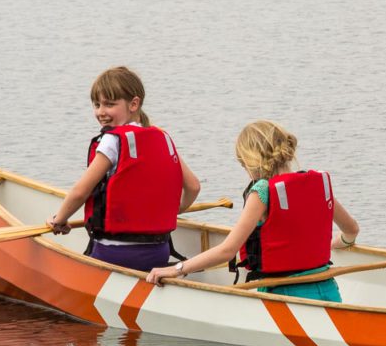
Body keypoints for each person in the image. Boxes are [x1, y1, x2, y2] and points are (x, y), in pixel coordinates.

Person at [146, 120, 359, 303]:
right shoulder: (317, 185)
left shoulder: (262, 191)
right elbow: (352, 230)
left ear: (251, 162)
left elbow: (227, 251)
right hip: (330, 292)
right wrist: (339, 244)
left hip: (284, 295)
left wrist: (177, 269)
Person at [48, 66, 201, 271]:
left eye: (110, 104)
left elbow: (80, 191)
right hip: (159, 252)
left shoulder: (112, 140)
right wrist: (172, 212)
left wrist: (60, 220)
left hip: (114, 254)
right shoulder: (162, 138)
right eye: (96, 104)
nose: (101, 112)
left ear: (134, 104)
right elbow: (193, 186)